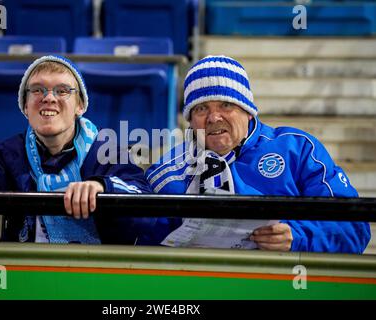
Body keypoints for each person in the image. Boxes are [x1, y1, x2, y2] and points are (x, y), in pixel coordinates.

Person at [136, 55, 371, 253]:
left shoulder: (297, 150)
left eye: (225, 105)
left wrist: (298, 237)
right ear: (190, 120)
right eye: (201, 108)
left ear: (248, 111)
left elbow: (355, 229)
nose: (213, 118)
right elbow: (143, 248)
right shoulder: (166, 173)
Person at [0, 55, 151, 244]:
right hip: (24, 277)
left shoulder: (109, 152)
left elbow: (144, 210)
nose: (49, 97)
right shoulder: (6, 154)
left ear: (80, 106)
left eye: (62, 90)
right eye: (37, 90)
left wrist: (102, 188)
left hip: (98, 280)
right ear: (25, 106)